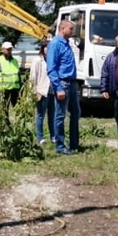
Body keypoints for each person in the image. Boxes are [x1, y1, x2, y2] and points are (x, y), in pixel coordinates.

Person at [47, 20, 81, 155]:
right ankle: (60, 146)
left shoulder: (67, 43)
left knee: (76, 113)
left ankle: (74, 144)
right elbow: (51, 68)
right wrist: (58, 87)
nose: (73, 31)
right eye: (71, 29)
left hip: (72, 83)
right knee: (60, 115)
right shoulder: (55, 44)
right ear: (62, 29)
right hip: (63, 83)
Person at [29, 39, 55, 145]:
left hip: (52, 91)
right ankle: (40, 137)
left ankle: (53, 136)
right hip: (42, 91)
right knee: (40, 115)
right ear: (43, 49)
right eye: (46, 48)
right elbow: (33, 76)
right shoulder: (37, 60)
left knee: (52, 115)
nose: (48, 50)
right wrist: (34, 91)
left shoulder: (53, 60)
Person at [0, 41, 22, 114]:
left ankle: (18, 124)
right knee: (4, 109)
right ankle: (6, 124)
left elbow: (18, 74)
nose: (9, 51)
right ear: (2, 50)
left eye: (10, 49)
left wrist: (21, 86)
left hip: (15, 89)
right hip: (4, 90)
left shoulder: (15, 61)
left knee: (18, 109)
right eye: (7, 49)